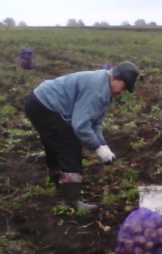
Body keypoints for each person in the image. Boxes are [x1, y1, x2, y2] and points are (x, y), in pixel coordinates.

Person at [24, 62, 140, 211]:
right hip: (44, 105)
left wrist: (103, 144)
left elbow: (95, 123)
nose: (122, 93)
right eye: (124, 87)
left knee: (55, 142)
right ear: (115, 78)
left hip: (39, 100)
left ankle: (59, 182)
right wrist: (97, 148)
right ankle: (70, 201)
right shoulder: (98, 91)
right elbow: (81, 126)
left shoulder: (105, 87)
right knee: (69, 147)